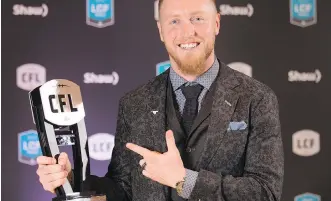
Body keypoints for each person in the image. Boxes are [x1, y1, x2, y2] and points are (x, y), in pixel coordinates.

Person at [36, 0, 284, 200]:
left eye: (197, 18)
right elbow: (122, 189)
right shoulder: (134, 103)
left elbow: (266, 192)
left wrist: (185, 181)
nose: (187, 31)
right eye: (174, 21)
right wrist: (71, 182)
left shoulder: (257, 98)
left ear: (216, 23)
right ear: (161, 31)